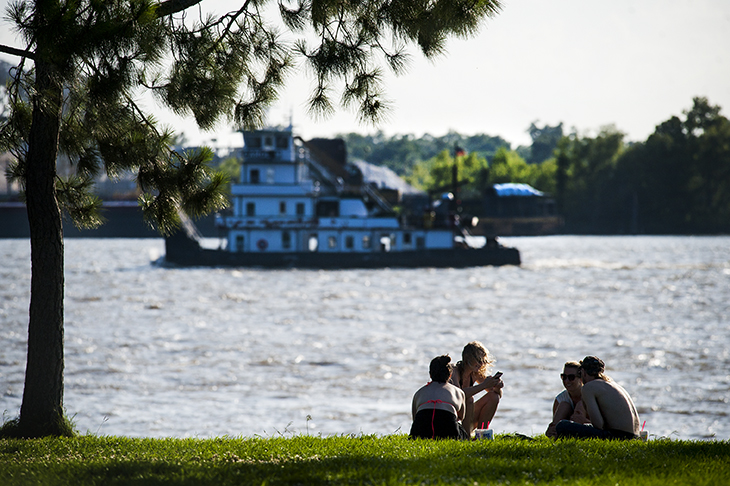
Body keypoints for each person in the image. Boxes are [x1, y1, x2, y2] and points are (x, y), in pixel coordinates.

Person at [556, 356, 641, 440]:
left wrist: (583, 422)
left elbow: (598, 425)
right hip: (635, 436)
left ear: (583, 372)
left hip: (618, 436)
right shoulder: (612, 384)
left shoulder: (588, 387)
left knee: (562, 426)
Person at [449, 341, 504, 435]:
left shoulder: (475, 373)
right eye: (478, 360)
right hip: (452, 419)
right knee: (468, 399)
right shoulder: (454, 371)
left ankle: (482, 434)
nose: (481, 364)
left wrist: (497, 387)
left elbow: (497, 394)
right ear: (468, 358)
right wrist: (484, 385)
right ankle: (466, 437)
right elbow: (457, 395)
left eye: (483, 360)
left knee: (493, 396)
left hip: (466, 416)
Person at [410, 355, 469, 440]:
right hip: (448, 431)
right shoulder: (458, 392)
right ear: (450, 375)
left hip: (421, 431)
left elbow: (415, 418)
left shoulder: (419, 393)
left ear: (430, 374)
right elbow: (461, 417)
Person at [545, 361, 590, 438]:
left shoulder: (589, 395)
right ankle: (554, 439)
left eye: (571, 377)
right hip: (564, 432)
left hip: (587, 432)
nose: (566, 381)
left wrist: (583, 420)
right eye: (564, 377)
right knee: (564, 405)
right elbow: (555, 423)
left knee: (580, 405)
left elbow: (602, 424)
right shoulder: (560, 399)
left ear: (581, 379)